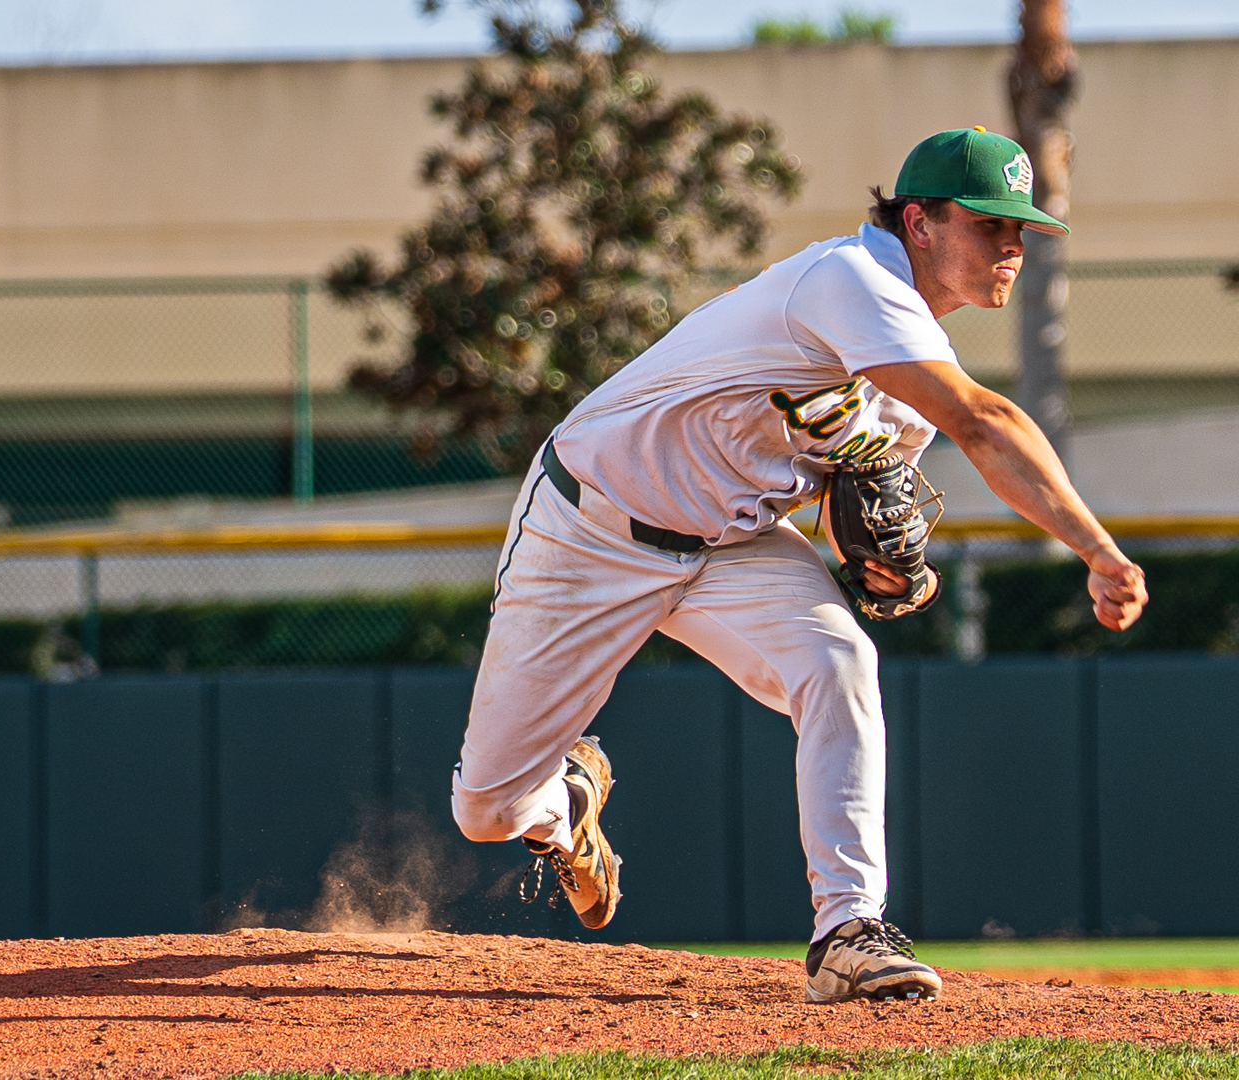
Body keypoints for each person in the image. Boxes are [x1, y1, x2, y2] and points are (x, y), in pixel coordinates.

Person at [450, 128, 1148, 1004]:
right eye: (989, 225)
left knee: (840, 662)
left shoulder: (909, 381)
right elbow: (986, 421)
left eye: (1021, 231)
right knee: (486, 811)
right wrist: (1097, 549)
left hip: (732, 543)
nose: (1012, 247)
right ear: (919, 223)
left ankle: (848, 929)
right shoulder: (850, 279)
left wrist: (888, 570)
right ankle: (565, 802)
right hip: (590, 529)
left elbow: (846, 492)